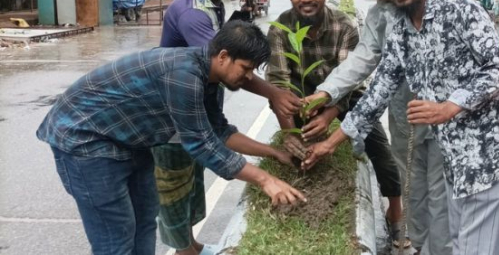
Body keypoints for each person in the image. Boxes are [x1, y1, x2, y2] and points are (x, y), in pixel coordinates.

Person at [303, 0, 499, 255]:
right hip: (450, 152)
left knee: (474, 248)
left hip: (483, 151)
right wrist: (331, 141)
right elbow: (380, 89)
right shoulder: (401, 26)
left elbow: (498, 70)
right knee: (457, 238)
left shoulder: (459, 8)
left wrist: (449, 107)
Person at [37, 21, 306, 255]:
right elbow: (200, 144)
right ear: (223, 56)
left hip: (130, 140)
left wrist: (274, 153)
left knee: (144, 221)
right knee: (115, 240)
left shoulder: (208, 77)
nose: (248, 78)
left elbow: (219, 132)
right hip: (85, 140)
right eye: (246, 68)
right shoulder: (184, 75)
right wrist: (265, 179)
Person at [306, 0, 453, 255]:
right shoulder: (380, 16)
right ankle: (417, 241)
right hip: (405, 110)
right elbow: (365, 62)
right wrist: (325, 93)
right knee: (411, 181)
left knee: (441, 191)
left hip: (446, 113)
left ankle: (439, 248)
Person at [156, 0, 301, 255]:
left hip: (198, 107)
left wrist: (241, 17)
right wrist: (274, 92)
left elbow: (225, 51)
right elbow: (226, 66)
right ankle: (186, 251)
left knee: (191, 190)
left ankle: (192, 247)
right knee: (177, 197)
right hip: (175, 121)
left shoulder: (211, 3)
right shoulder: (193, 14)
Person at [265, 0, 406, 247]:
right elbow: (278, 84)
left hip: (341, 100)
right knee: (295, 152)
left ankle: (395, 211)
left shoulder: (344, 26)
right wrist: (289, 133)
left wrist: (328, 117)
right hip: (300, 101)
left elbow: (352, 80)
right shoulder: (280, 29)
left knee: (379, 147)